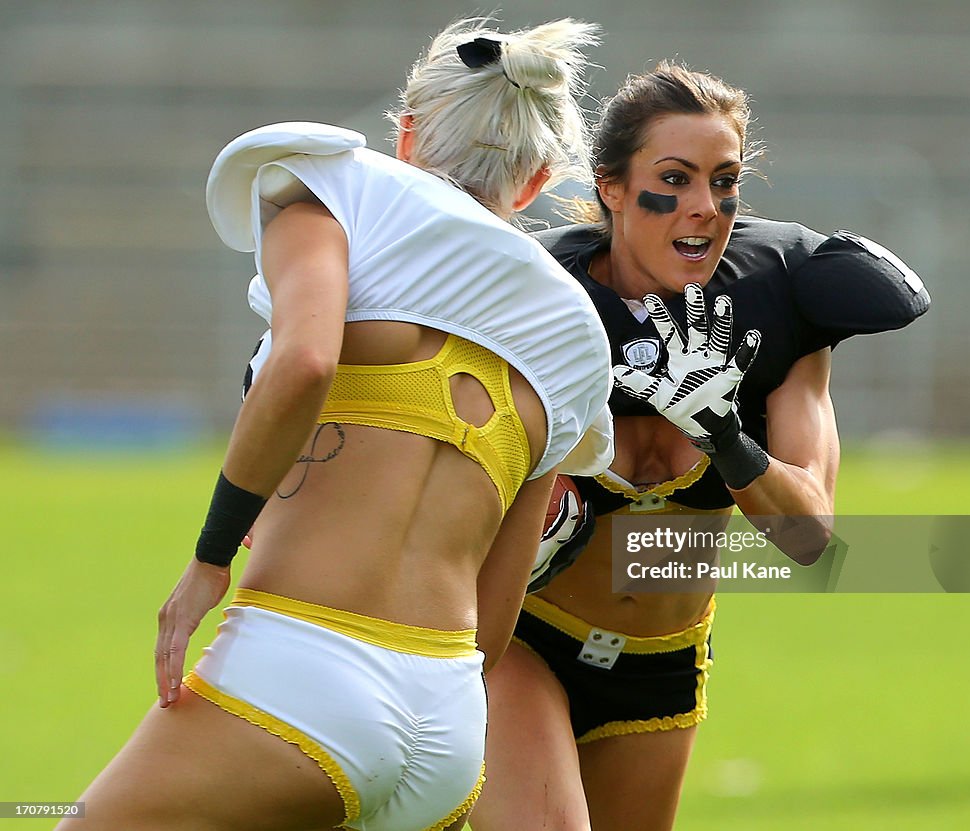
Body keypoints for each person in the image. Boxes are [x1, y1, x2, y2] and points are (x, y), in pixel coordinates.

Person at [59, 17, 614, 831]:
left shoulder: (335, 187)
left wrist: (209, 562)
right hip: (449, 721)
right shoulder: (575, 334)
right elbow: (497, 611)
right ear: (533, 183)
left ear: (409, 131)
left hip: (302, 673)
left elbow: (306, 363)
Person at [470, 62, 930, 831]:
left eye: (724, 182)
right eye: (675, 179)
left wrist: (724, 434)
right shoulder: (537, 302)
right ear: (611, 187)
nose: (703, 207)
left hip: (662, 661)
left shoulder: (778, 305)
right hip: (525, 638)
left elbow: (810, 534)